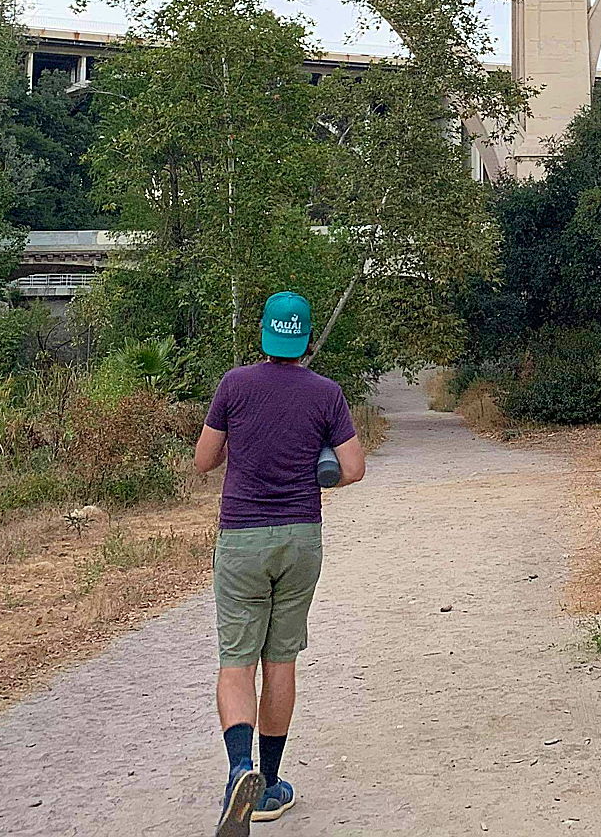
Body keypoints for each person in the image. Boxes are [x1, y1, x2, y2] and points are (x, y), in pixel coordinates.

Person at [195, 291, 366, 831]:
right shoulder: (326, 394)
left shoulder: (234, 385)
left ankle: (239, 769)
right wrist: (320, 468)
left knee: (236, 661)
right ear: (307, 339)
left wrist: (234, 445)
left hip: (243, 538)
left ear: (264, 336)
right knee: (281, 660)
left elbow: (203, 461)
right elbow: (354, 468)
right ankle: (268, 788)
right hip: (300, 538)